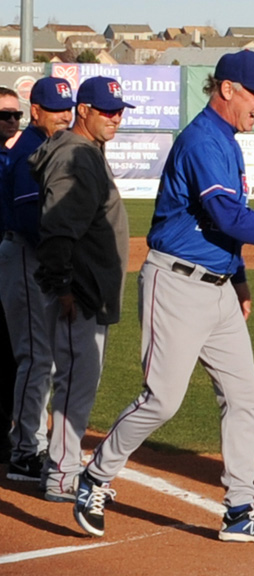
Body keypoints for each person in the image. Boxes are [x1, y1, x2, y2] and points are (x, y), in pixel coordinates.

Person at [72, 50, 254, 544]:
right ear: (227, 89)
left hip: (217, 289)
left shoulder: (228, 141)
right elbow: (228, 216)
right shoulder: (200, 140)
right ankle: (96, 476)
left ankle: (239, 509)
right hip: (175, 283)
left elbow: (226, 222)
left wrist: (238, 279)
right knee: (163, 400)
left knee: (243, 394)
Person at [28, 76, 131, 502]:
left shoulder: (84, 151)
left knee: (77, 379)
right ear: (82, 111)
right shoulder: (76, 155)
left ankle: (64, 467)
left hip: (87, 287)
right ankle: (63, 474)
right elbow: (58, 229)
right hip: (80, 291)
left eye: (119, 110)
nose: (115, 117)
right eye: (106, 110)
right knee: (75, 381)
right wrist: (64, 287)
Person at [0, 78, 75, 484]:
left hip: (32, 258)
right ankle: (26, 451)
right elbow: (32, 220)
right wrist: (62, 261)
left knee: (42, 356)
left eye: (69, 107)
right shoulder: (31, 152)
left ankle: (31, 444)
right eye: (56, 108)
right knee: (35, 356)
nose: (65, 114)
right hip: (26, 256)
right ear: (36, 112)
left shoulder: (46, 148)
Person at [0, 87, 22, 464]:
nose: (13, 121)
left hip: (9, 259)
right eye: (5, 114)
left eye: (17, 115)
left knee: (9, 352)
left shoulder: (16, 157)